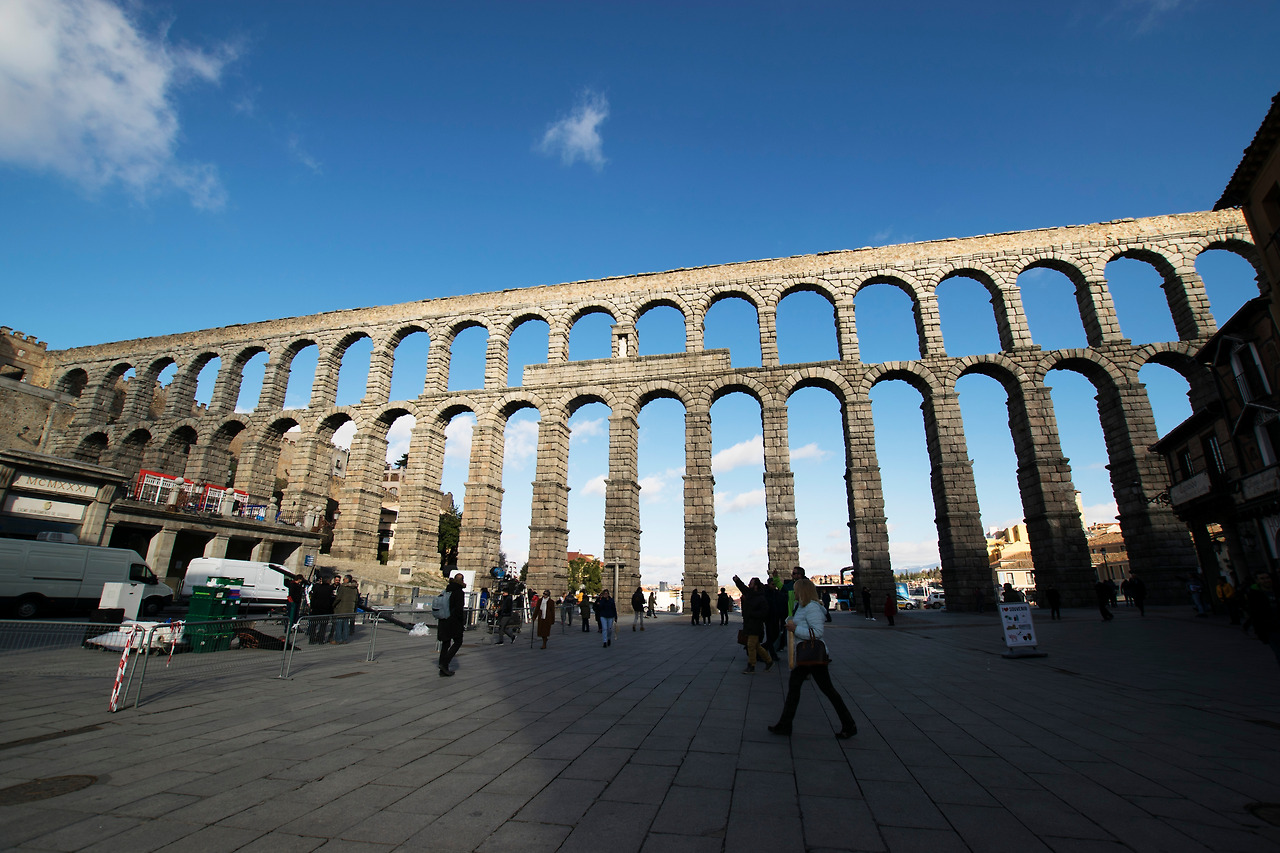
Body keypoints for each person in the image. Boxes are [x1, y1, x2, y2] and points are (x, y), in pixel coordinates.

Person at [769, 578, 857, 739]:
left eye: (795, 589)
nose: (793, 592)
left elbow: (817, 632)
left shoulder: (812, 608)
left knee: (827, 690)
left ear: (802, 591)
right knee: (799, 688)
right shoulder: (801, 606)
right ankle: (785, 724)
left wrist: (795, 628)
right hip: (806, 654)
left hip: (812, 654)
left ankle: (849, 724)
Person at [732, 575, 774, 673]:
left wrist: (751, 614)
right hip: (749, 624)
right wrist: (737, 580)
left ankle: (751, 665)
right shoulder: (750, 593)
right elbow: (742, 587)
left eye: (751, 583)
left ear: (755, 586)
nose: (749, 584)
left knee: (751, 645)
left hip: (756, 625)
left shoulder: (761, 598)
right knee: (756, 646)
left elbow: (764, 612)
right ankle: (769, 661)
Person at [436, 573, 466, 676]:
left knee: (445, 643)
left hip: (443, 619)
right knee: (458, 641)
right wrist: (462, 622)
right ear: (462, 580)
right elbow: (459, 610)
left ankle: (442, 668)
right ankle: (445, 663)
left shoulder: (447, 590)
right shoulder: (459, 592)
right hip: (453, 621)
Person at [307, 575, 335, 645]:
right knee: (323, 626)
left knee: (314, 626)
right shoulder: (329, 588)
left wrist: (311, 607)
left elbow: (313, 598)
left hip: (316, 609)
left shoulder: (317, 587)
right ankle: (320, 640)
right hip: (325, 610)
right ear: (328, 582)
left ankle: (312, 640)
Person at [332, 575, 359, 644]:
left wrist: (333, 604)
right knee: (346, 624)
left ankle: (338, 639)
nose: (343, 580)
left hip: (341, 608)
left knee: (339, 624)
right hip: (350, 609)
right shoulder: (355, 588)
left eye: (344, 579)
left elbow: (338, 598)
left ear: (347, 579)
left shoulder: (343, 587)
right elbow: (356, 599)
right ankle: (345, 639)